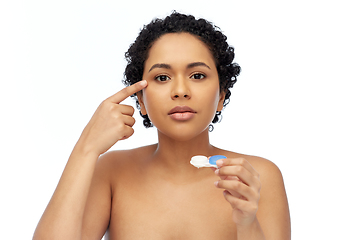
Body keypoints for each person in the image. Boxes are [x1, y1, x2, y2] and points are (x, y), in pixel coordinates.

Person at [33, 12, 290, 240]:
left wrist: (247, 222)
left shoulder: (256, 177)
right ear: (141, 101)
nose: (180, 91)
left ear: (221, 95)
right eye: (162, 77)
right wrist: (86, 148)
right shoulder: (112, 172)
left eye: (197, 75)